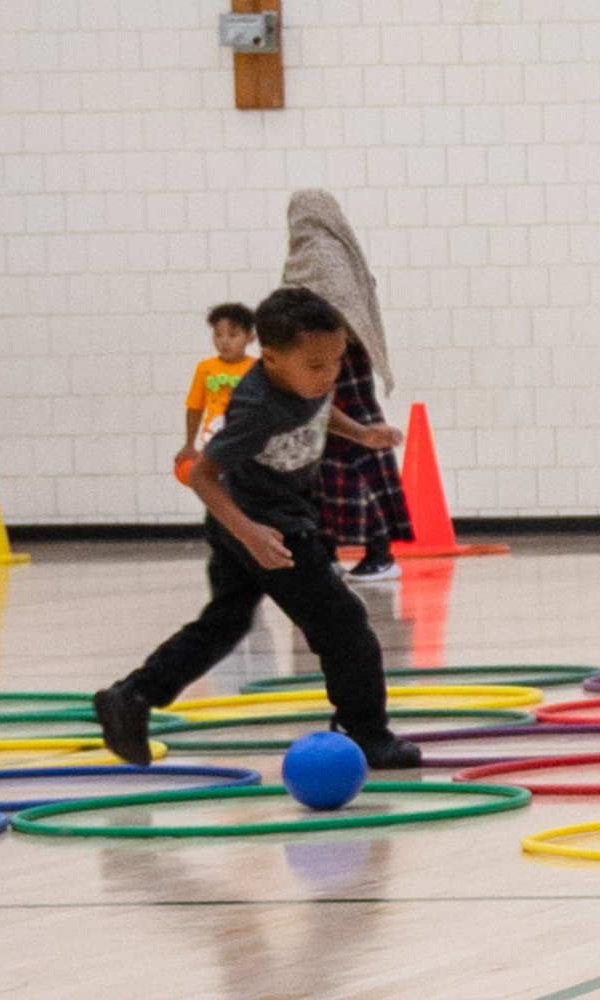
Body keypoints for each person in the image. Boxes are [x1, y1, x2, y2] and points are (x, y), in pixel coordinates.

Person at [96, 287, 420, 769]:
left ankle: (133, 696)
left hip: (251, 520)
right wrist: (250, 533)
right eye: (316, 366)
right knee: (345, 625)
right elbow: (203, 475)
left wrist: (360, 432)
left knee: (226, 621)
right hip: (269, 528)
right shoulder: (256, 407)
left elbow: (316, 407)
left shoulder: (305, 377)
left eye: (335, 362)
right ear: (269, 358)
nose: (328, 373)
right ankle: (368, 733)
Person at [282, 190, 410, 583]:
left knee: (339, 457)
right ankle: (335, 552)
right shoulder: (339, 251)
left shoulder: (318, 254)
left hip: (332, 363)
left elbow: (324, 313)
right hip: (342, 361)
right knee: (339, 457)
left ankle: (375, 551)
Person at [172, 302, 259, 485]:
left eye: (233, 335)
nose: (224, 341)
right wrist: (189, 445)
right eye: (218, 335)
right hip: (214, 444)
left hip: (247, 445)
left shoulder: (257, 369)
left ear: (249, 337)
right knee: (217, 492)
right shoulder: (205, 368)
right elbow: (195, 407)